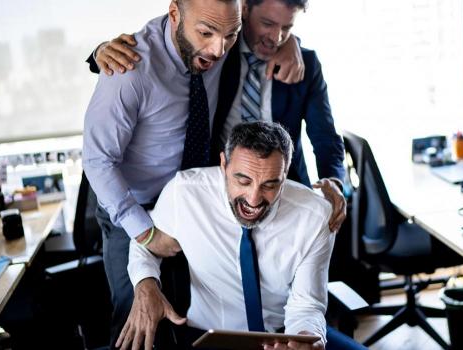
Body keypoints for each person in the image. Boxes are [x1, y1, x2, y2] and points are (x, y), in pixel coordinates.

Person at [90, 0, 347, 232]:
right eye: (267, 23)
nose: (275, 38)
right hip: (215, 199)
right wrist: (100, 50)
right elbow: (180, 28)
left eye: (286, 28)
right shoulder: (217, 51)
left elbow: (326, 137)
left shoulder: (303, 62)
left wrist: (334, 181)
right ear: (244, 10)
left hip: (283, 197)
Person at [118, 121, 364, 350]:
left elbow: (307, 305)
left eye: (270, 184)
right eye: (243, 180)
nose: (254, 199)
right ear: (224, 165)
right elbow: (144, 242)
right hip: (207, 337)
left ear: (286, 173)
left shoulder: (314, 216)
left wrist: (303, 340)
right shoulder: (185, 193)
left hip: (281, 335)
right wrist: (145, 283)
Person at [82, 0, 242, 346]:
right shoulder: (129, 70)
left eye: (230, 35)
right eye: (206, 33)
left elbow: (269, 25)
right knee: (137, 319)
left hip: (190, 200)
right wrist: (146, 234)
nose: (218, 49)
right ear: (174, 15)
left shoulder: (223, 34)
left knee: (193, 313)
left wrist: (288, 46)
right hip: (132, 203)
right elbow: (97, 161)